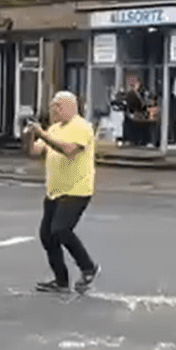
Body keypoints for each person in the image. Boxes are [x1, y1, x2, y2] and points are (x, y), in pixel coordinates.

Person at [24, 91, 101, 293]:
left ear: (70, 107)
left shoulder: (82, 127)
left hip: (77, 190)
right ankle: (61, 281)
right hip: (54, 191)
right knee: (47, 236)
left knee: (61, 229)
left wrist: (43, 135)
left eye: (58, 106)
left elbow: (68, 150)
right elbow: (34, 152)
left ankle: (88, 267)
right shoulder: (54, 128)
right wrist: (30, 133)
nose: (54, 110)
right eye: (52, 107)